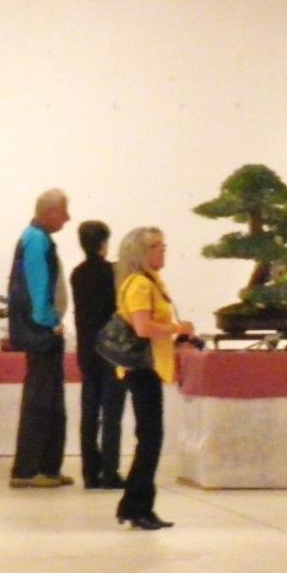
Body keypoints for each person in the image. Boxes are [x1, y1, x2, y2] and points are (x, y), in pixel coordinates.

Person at [113, 226, 195, 531]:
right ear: (140, 253)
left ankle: (137, 505)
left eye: (163, 244)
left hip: (151, 366)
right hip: (142, 367)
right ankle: (137, 506)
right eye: (155, 246)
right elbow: (143, 327)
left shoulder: (152, 281)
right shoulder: (139, 284)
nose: (163, 250)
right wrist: (177, 329)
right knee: (150, 438)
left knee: (150, 438)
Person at [7, 189, 73, 489]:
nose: (67, 218)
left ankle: (48, 467)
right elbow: (37, 287)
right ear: (50, 212)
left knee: (51, 401)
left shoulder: (39, 238)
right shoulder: (35, 240)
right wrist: (49, 322)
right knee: (40, 401)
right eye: (64, 211)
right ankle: (27, 470)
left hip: (43, 331)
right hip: (40, 332)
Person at [70, 220, 126, 490]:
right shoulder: (113, 273)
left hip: (86, 348)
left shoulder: (77, 274)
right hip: (112, 349)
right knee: (112, 412)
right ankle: (110, 471)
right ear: (104, 243)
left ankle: (90, 473)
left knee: (89, 411)